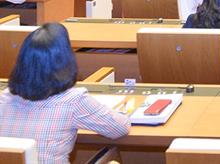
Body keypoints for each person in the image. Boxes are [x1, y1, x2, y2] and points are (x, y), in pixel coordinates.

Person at [0, 23, 130, 162]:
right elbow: (120, 129)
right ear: (65, 60)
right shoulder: (74, 100)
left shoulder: (5, 97)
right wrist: (122, 111)